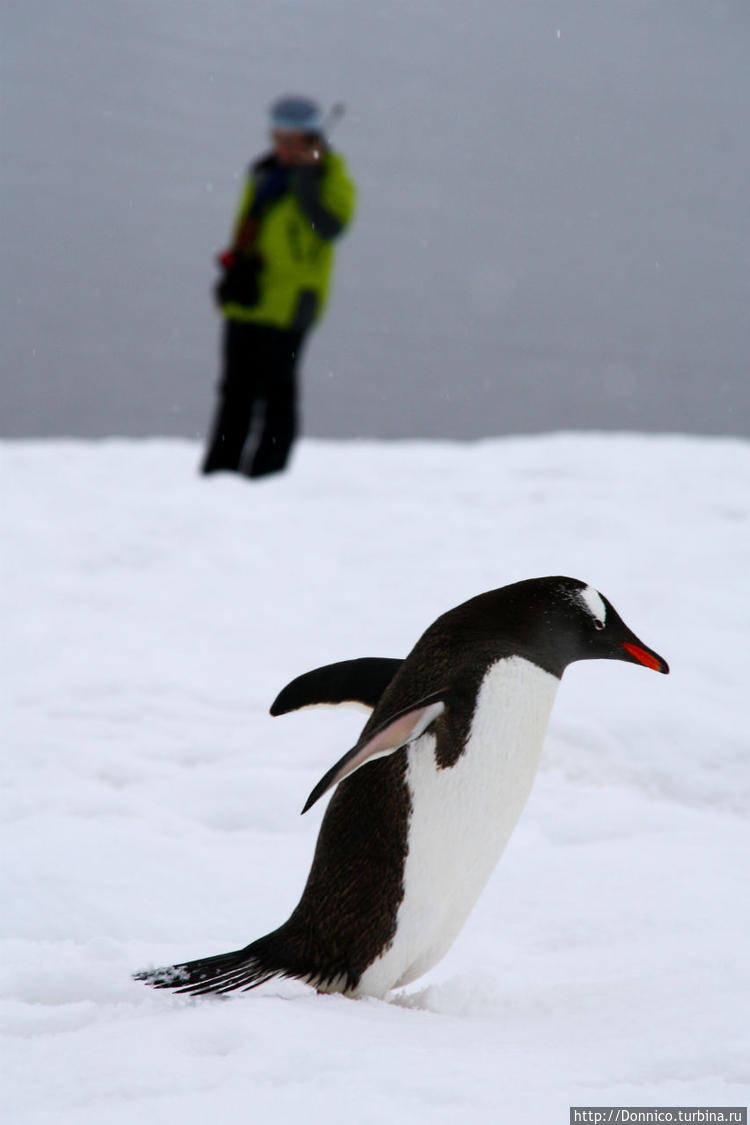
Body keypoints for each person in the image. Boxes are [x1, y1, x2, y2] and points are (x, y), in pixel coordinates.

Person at [201, 95, 356, 479]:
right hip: (249, 299)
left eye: (292, 141)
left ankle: (266, 478)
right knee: (235, 392)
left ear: (313, 140)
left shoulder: (332, 178)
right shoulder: (263, 172)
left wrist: (307, 179)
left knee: (276, 393)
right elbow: (246, 229)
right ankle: (219, 474)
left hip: (291, 305)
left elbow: (331, 227)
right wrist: (232, 274)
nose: (283, 149)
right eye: (278, 139)